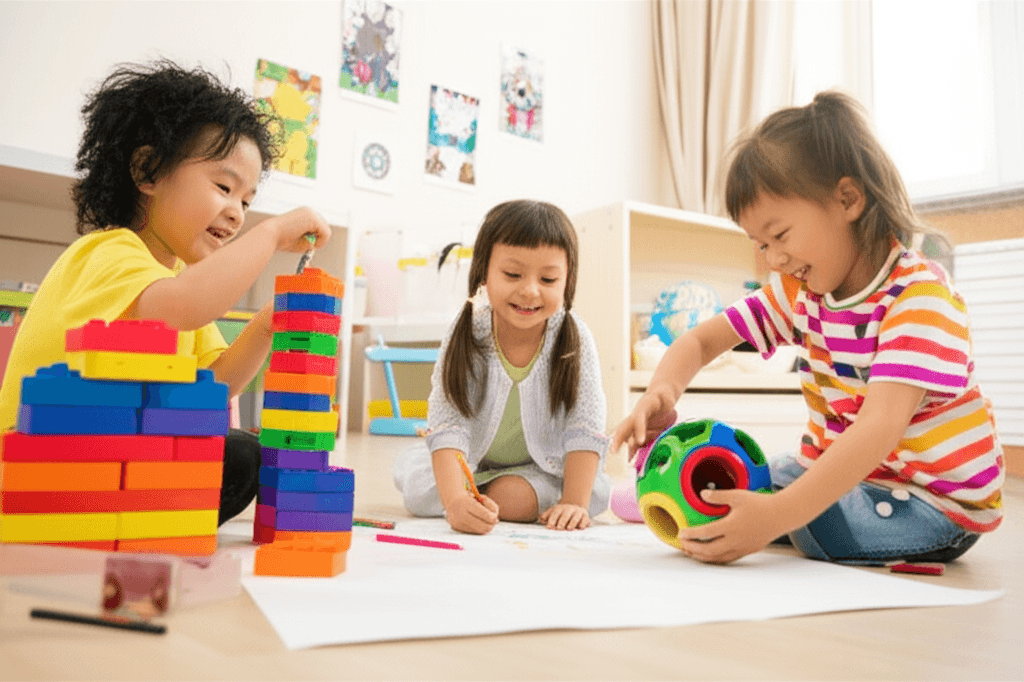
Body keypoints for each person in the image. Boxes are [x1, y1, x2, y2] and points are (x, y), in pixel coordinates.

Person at [612, 91, 1004, 565]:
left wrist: (777, 516)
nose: (773, 258)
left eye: (780, 236)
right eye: (759, 243)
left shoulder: (921, 298)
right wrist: (663, 391)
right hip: (857, 478)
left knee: (815, 523)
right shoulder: (799, 292)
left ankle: (718, 513)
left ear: (847, 199)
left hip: (935, 504)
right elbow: (700, 339)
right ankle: (681, 499)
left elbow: (877, 428)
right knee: (760, 473)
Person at [0, 60, 331, 525]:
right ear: (149, 171)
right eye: (223, 187)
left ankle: (133, 517)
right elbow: (179, 307)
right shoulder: (110, 254)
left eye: (247, 202)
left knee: (238, 452)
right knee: (231, 453)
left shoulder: (178, 282)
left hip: (109, 458)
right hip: (40, 464)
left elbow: (213, 386)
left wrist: (265, 325)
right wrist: (273, 233)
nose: (237, 214)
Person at [393, 200, 611, 534]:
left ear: (567, 281)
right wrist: (455, 504)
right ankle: (472, 495)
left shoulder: (574, 336)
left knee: (523, 498)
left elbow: (584, 426)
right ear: (483, 272)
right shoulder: (467, 330)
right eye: (512, 274)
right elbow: (448, 422)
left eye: (549, 279)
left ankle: (483, 496)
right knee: (422, 487)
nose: (530, 290)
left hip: (543, 467)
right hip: (471, 462)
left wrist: (573, 503)